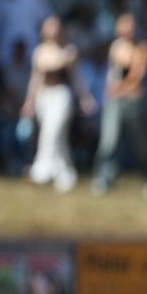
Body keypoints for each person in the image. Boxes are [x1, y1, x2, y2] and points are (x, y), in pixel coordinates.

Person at [21, 15, 96, 193]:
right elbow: (35, 79)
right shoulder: (40, 51)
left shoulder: (69, 50)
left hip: (61, 96)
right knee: (59, 139)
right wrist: (29, 102)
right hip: (43, 97)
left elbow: (76, 78)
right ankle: (66, 175)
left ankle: (40, 171)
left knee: (51, 132)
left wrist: (85, 97)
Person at [91, 13, 147, 198]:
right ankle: (104, 178)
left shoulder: (142, 48)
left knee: (142, 145)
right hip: (114, 101)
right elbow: (113, 73)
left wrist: (119, 89)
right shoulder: (116, 47)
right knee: (109, 141)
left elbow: (137, 76)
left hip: (134, 101)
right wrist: (113, 90)